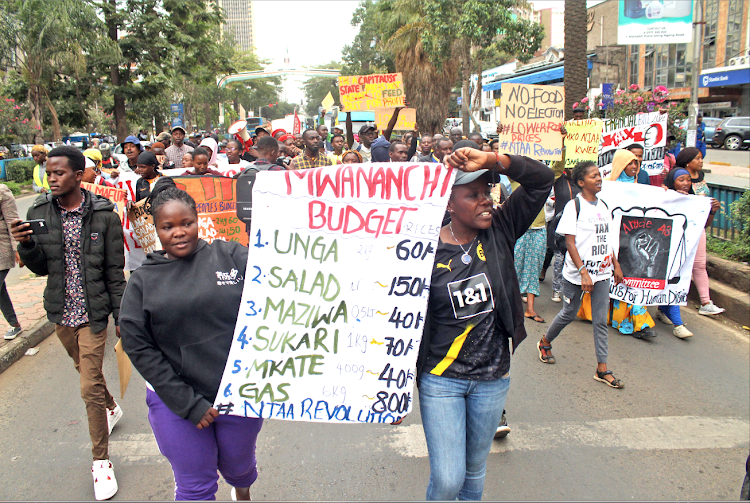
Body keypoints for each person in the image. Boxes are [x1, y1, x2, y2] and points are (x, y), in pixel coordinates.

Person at [417, 146, 553, 500]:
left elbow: (542, 180)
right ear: (448, 203)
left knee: (474, 474)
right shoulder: (421, 249)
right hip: (441, 379)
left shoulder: (501, 231)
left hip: (492, 379)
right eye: (473, 195)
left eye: (488, 192)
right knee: (448, 478)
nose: (486, 201)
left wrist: (494, 160)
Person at [119, 180, 263, 501]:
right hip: (176, 402)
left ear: (199, 221)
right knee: (194, 486)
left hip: (238, 393)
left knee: (239, 467)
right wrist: (187, 404)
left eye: (187, 223)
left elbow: (285, 281)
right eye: (168, 226)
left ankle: (242, 491)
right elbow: (138, 346)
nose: (179, 232)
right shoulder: (144, 281)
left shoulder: (230, 256)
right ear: (156, 230)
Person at [11, 146, 126, 501]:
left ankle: (101, 461)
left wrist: (121, 316)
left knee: (87, 383)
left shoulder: (105, 215)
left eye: (59, 172)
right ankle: (111, 406)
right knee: (84, 372)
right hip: (60, 312)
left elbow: (114, 271)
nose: (51, 178)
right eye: (48, 172)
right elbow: (42, 268)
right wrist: (27, 245)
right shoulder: (39, 211)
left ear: (78, 176)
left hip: (93, 314)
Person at [537, 160, 625, 389]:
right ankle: (545, 342)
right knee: (569, 312)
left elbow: (608, 240)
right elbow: (570, 243)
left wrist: (615, 264)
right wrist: (583, 272)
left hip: (603, 273)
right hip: (576, 274)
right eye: (594, 176)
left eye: (599, 175)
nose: (599, 179)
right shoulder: (574, 207)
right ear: (581, 182)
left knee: (600, 321)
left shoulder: (604, 205)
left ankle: (602, 368)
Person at [601, 149, 657, 339]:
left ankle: (639, 324)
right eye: (630, 163)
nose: (634, 167)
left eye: (636, 163)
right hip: (610, 241)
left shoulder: (641, 188)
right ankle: (619, 319)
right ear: (620, 165)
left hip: (632, 242)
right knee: (614, 282)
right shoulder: (606, 187)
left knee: (631, 282)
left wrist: (664, 194)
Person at [676, 147, 725, 316]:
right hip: (681, 227)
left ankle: (706, 302)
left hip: (698, 227)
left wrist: (712, 210)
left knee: (699, 264)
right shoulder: (677, 177)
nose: (701, 161)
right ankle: (668, 303)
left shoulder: (701, 178)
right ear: (688, 161)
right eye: (697, 158)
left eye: (701, 158)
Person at [548, 161, 580, 303]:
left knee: (574, 260)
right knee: (559, 260)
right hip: (560, 226)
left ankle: (570, 292)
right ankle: (557, 290)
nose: (572, 168)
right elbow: (554, 171)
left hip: (579, 226)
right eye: (570, 165)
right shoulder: (559, 180)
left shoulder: (582, 182)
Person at [0, 182, 22, 340]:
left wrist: (18, 248)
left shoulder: (2, 191)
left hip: (2, 248)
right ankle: (14, 324)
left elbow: (12, 221)